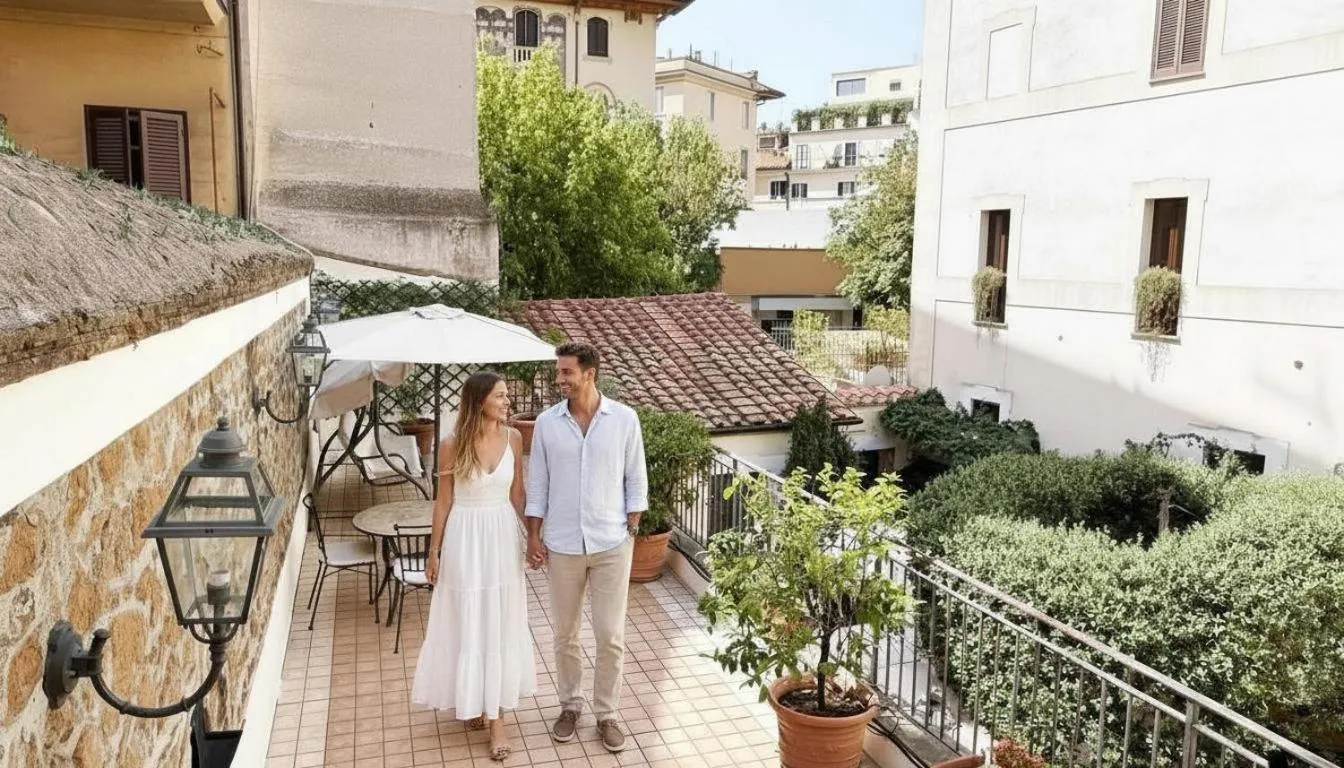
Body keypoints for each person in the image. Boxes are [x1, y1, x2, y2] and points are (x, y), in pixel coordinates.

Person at [525, 342, 648, 753]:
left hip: (611, 541)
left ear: (589, 373)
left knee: (611, 634)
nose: (560, 379)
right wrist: (533, 535)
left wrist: (632, 520)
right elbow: (537, 482)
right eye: (559, 372)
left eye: (566, 372)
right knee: (565, 634)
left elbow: (636, 473)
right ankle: (569, 705)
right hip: (561, 544)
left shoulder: (624, 419)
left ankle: (607, 713)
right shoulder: (546, 423)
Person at [410, 370, 534, 762]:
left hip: (501, 537)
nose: (506, 401)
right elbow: (443, 503)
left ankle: (497, 719)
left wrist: (533, 537)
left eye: (506, 395)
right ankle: (477, 701)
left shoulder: (514, 438)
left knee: (497, 622)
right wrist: (434, 552)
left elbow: (518, 496)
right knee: (469, 620)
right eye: (500, 395)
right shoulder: (450, 444)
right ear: (480, 400)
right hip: (465, 538)